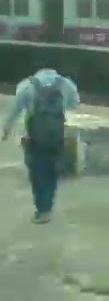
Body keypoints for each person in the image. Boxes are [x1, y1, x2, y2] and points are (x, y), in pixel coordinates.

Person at [1, 68, 81, 224]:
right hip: (56, 136)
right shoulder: (66, 84)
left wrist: (6, 130)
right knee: (52, 170)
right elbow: (74, 104)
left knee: (36, 173)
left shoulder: (26, 86)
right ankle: (48, 207)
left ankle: (41, 209)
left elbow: (14, 111)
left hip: (34, 138)